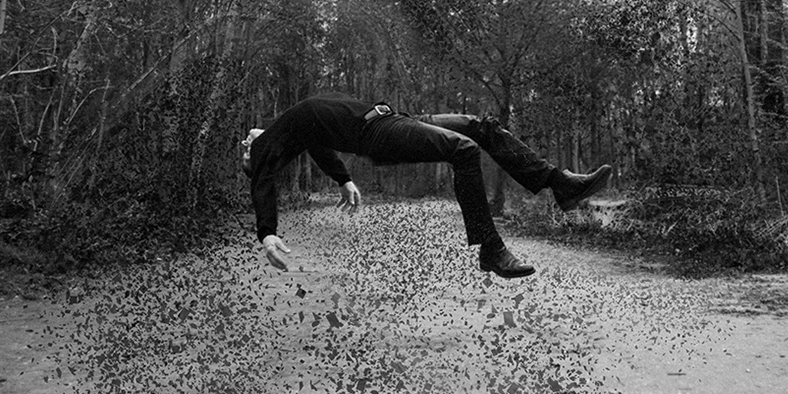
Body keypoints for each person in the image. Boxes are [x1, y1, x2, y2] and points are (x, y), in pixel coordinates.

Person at [241, 92, 612, 278]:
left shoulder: (295, 126)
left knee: (478, 127)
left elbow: (319, 146)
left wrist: (344, 180)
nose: (247, 143)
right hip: (380, 135)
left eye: (248, 145)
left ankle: (559, 184)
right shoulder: (269, 143)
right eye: (247, 151)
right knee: (463, 150)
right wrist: (267, 233)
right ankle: (491, 248)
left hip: (395, 119)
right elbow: (263, 180)